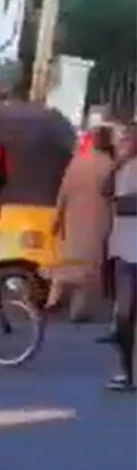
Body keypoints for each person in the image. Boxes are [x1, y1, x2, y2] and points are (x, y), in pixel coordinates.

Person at [45, 126, 114, 322]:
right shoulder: (109, 165)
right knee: (90, 267)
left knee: (66, 261)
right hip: (98, 220)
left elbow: (63, 192)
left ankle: (54, 298)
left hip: (72, 219)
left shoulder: (76, 162)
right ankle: (79, 310)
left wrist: (57, 218)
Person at [102, 123, 137, 392]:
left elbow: (126, 204)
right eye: (122, 138)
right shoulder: (121, 168)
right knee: (124, 316)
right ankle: (127, 373)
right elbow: (104, 191)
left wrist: (121, 203)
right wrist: (116, 165)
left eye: (128, 138)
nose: (123, 142)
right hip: (124, 250)